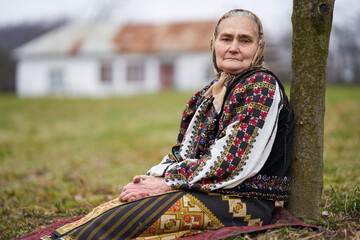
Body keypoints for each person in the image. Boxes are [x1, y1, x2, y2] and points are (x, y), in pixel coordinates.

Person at [41, 9, 294, 240]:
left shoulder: (261, 86)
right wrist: (152, 176)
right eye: (226, 39)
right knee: (116, 207)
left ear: (259, 47)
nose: (234, 47)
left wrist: (167, 182)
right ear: (214, 44)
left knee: (133, 218)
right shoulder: (209, 93)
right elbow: (184, 152)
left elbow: (230, 162)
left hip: (246, 202)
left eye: (245, 40)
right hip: (206, 189)